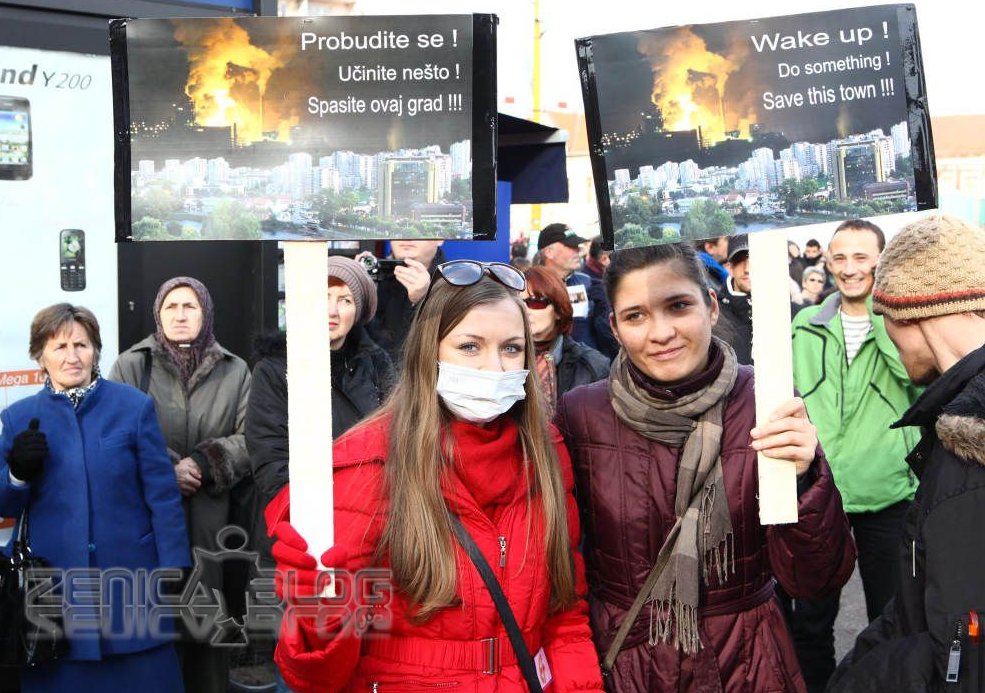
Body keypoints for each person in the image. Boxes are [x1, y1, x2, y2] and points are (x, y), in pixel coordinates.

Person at [265, 260, 605, 692]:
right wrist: (318, 613)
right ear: (432, 350)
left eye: (511, 348)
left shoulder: (546, 452)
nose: (495, 368)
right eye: (469, 347)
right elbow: (316, 678)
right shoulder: (367, 464)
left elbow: (564, 614)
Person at [557, 242, 855, 692]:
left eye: (678, 306)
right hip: (627, 663)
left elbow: (814, 579)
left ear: (711, 306)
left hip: (747, 661)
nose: (661, 332)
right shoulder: (582, 413)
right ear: (614, 328)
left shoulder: (766, 399)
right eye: (636, 316)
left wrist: (805, 479)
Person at [828, 214, 985, 691]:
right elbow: (921, 603)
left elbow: (962, 656)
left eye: (884, 319)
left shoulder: (968, 452)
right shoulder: (957, 421)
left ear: (905, 314)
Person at [0, 303, 190, 692]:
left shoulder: (133, 407)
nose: (72, 357)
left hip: (131, 586)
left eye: (82, 345)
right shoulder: (19, 417)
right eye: (59, 347)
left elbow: (163, 497)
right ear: (40, 355)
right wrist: (17, 473)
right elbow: (4, 504)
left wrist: (174, 567)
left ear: (96, 350)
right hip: (54, 595)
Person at [787, 219, 920, 692]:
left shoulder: (906, 323)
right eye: (839, 257)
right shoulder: (806, 324)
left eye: (861, 257)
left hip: (887, 496)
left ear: (881, 261)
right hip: (821, 497)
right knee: (809, 625)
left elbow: (914, 380)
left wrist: (886, 317)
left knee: (892, 620)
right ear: (827, 261)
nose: (849, 268)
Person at [109, 277, 252, 693]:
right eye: (171, 306)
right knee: (152, 631)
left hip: (216, 524)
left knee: (208, 630)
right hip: (147, 525)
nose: (180, 314)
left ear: (206, 313)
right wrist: (168, 468)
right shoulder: (132, 365)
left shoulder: (235, 369)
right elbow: (118, 434)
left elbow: (251, 439)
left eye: (190, 306)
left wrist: (205, 463)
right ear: (158, 313)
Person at [246, 255, 395, 508]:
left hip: (373, 514)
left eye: (345, 300)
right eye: (323, 296)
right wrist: (325, 512)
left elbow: (397, 442)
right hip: (302, 520)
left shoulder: (377, 364)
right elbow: (271, 460)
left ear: (358, 312)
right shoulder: (273, 370)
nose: (332, 311)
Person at [521, 266, 610, 418]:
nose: (525, 311)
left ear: (558, 309)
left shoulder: (593, 366)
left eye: (536, 302)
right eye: (519, 303)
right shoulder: (504, 362)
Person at [538, 223, 618, 357]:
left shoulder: (588, 283)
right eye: (570, 246)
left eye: (577, 246)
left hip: (587, 370)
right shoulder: (529, 287)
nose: (578, 251)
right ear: (549, 252)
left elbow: (605, 334)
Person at [363, 240, 445, 364]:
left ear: (440, 239)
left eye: (418, 228)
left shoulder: (457, 281)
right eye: (398, 228)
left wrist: (424, 301)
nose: (407, 238)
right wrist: (357, 292)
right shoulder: (371, 273)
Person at [717, 234, 753, 365]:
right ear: (729, 268)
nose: (747, 269)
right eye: (740, 260)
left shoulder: (788, 310)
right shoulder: (714, 316)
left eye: (755, 259)